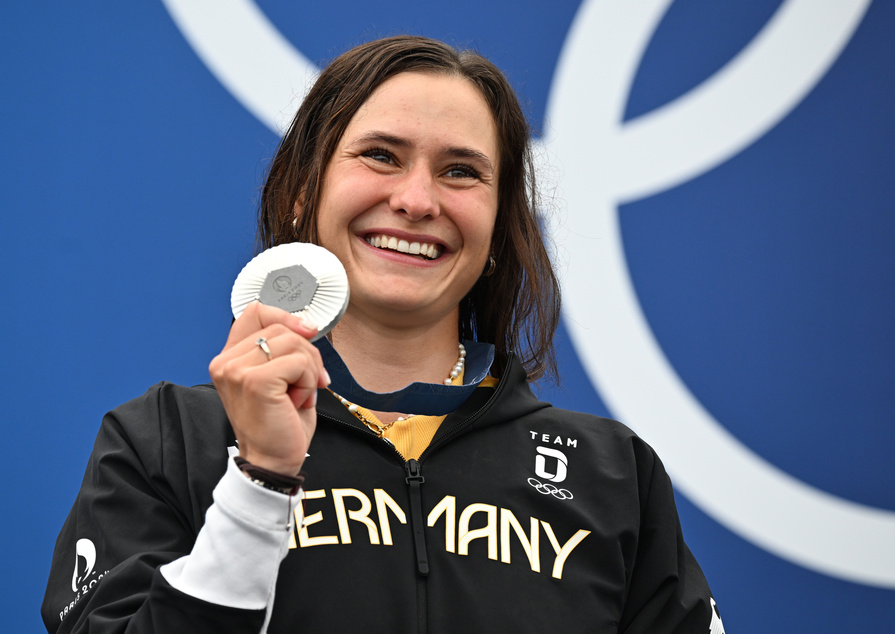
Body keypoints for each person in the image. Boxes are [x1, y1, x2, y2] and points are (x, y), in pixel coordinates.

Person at [43, 35, 724, 633]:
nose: (417, 201)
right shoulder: (165, 441)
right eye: (380, 155)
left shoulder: (610, 473)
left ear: (496, 225)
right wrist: (259, 481)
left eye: (461, 171)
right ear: (301, 193)